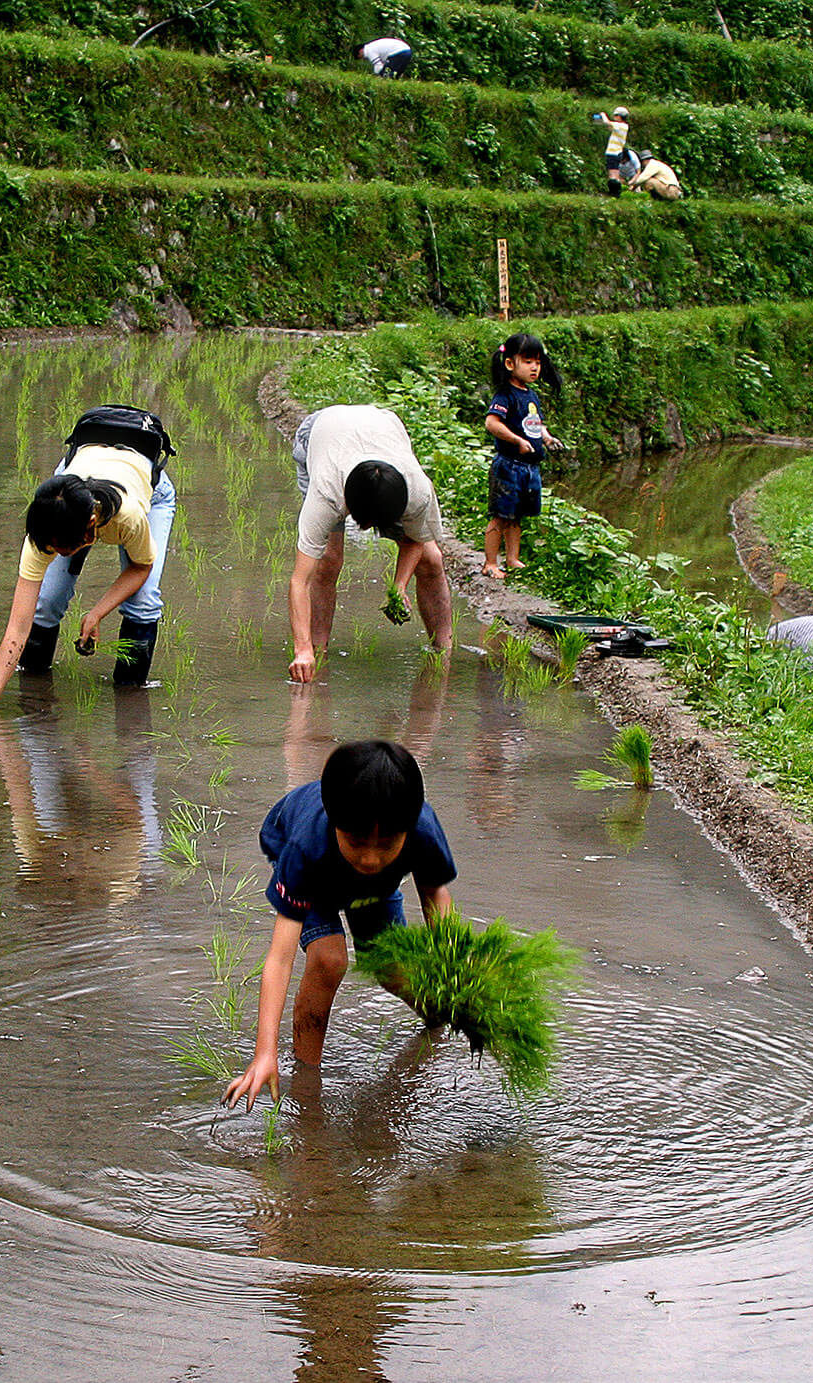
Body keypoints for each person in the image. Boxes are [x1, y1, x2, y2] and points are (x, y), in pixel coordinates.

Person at [225, 740, 459, 1111]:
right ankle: (306, 1086)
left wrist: (453, 974)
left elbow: (435, 898)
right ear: (336, 824)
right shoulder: (305, 847)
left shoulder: (422, 830)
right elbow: (280, 958)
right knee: (329, 959)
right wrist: (264, 1053)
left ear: (407, 829)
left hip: (374, 889)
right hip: (315, 871)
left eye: (386, 844)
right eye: (357, 842)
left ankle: (441, 1021)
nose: (370, 857)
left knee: (394, 967)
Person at [0, 406, 177, 711]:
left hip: (147, 489)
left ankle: (131, 706)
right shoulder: (47, 524)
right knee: (46, 603)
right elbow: (17, 628)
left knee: (144, 600)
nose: (52, 553)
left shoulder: (129, 517)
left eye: (61, 548)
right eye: (51, 548)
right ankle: (35, 697)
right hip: (73, 483)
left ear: (88, 534)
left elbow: (141, 567)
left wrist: (97, 612)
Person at [287, 405, 452, 684]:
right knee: (327, 560)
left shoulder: (418, 492)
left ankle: (443, 654)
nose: (363, 529)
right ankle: (314, 654)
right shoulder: (326, 494)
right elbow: (299, 580)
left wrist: (399, 586)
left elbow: (413, 541)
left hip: (381, 426)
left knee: (431, 559)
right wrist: (299, 649)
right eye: (362, 523)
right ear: (347, 506)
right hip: (320, 432)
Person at [482, 333, 566, 580]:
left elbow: (535, 424)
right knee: (500, 515)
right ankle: (490, 562)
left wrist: (547, 438)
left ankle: (512, 558)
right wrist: (517, 440)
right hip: (508, 466)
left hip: (529, 467)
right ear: (510, 364)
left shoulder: (530, 395)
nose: (534, 367)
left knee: (516, 516)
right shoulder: (505, 395)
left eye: (537, 362)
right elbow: (492, 423)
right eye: (528, 361)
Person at [591, 106, 631, 190]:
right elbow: (609, 127)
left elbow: (607, 122)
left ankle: (615, 193)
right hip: (617, 153)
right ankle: (617, 193)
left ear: (619, 116)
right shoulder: (622, 126)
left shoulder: (621, 126)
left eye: (615, 115)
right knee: (615, 175)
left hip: (613, 153)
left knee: (612, 176)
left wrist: (603, 114)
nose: (614, 117)